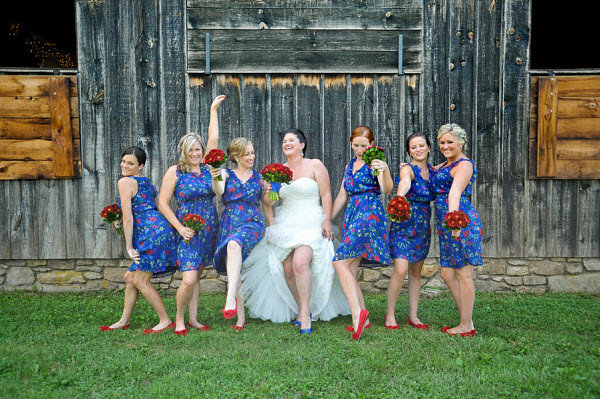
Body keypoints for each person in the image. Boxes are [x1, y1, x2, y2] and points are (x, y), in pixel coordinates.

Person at [242, 128, 350, 334]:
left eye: (291, 140)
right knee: (288, 269)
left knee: (301, 263)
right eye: (284, 141)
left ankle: (306, 314)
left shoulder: (315, 165)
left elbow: (326, 194)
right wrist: (269, 190)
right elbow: (270, 202)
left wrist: (327, 220)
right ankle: (302, 309)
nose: (286, 143)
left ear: (302, 145)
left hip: (311, 220)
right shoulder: (277, 171)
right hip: (286, 222)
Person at [158, 95, 225, 336]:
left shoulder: (209, 168)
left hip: (208, 228)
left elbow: (214, 138)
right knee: (188, 279)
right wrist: (179, 228)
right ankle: (178, 319)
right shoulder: (175, 171)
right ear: (183, 152)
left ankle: (194, 318)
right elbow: (163, 204)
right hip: (186, 230)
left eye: (198, 149)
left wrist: (213, 110)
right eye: (191, 150)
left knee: (197, 275)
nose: (195, 153)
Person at [100, 146, 176, 334]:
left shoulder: (125, 182)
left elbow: (128, 217)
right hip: (160, 229)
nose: (125, 166)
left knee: (141, 281)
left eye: (131, 163)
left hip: (149, 234)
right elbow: (156, 206)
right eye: (124, 161)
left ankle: (165, 320)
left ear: (140, 165)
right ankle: (124, 320)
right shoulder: (145, 181)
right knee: (130, 277)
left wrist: (129, 247)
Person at [331, 126, 393, 340]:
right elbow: (341, 195)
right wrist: (326, 220)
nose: (359, 150)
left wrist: (383, 170)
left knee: (339, 262)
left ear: (372, 145)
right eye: (355, 145)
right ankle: (363, 320)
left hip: (369, 214)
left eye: (363, 146)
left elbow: (386, 190)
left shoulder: (375, 163)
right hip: (352, 214)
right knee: (350, 266)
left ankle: (358, 314)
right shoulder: (350, 166)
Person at [431, 123, 482, 337]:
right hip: (446, 224)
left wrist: (453, 222)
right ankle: (466, 321)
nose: (445, 146)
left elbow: (455, 193)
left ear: (461, 142)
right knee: (446, 272)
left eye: (450, 142)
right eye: (442, 142)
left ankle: (465, 325)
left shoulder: (464, 164)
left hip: (460, 222)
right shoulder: (443, 166)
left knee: (463, 273)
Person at [211, 137, 265, 330]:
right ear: (235, 156)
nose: (251, 157)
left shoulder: (259, 177)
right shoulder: (225, 174)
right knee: (236, 268)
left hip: (252, 221)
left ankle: (229, 297)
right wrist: (215, 175)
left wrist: (275, 189)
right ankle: (240, 319)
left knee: (233, 245)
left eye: (252, 153)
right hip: (230, 221)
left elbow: (268, 203)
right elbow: (218, 191)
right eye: (246, 154)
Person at [385, 132, 435, 331]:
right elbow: (404, 181)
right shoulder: (407, 168)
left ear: (429, 147)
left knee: (415, 273)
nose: (418, 150)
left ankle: (413, 316)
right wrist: (400, 196)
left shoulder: (434, 171)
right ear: (409, 152)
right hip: (403, 223)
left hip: (423, 226)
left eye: (421, 146)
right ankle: (390, 314)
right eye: (413, 147)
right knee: (400, 270)